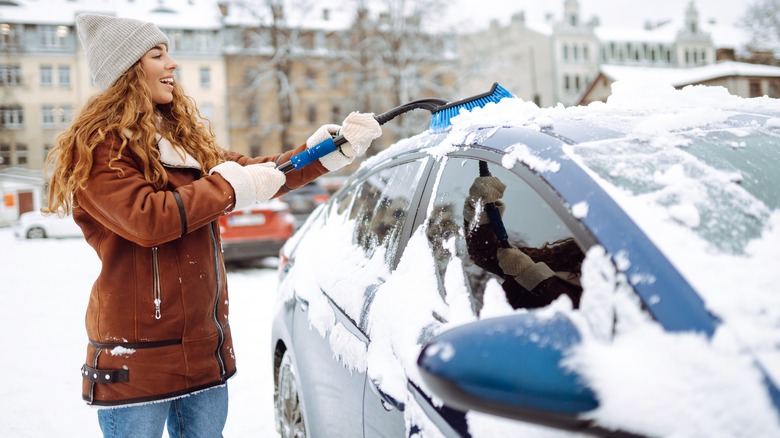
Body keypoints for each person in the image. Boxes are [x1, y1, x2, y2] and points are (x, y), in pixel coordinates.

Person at [44, 13, 381, 438]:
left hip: (202, 344)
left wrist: (325, 151)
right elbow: (149, 219)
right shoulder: (97, 148)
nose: (172, 65)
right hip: (137, 354)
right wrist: (231, 186)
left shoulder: (181, 141)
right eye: (157, 54)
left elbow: (251, 173)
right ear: (127, 69)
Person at [463, 175, 583, 309]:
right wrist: (480, 207)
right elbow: (486, 253)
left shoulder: (603, 302)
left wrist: (530, 274)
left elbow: (574, 316)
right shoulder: (563, 259)